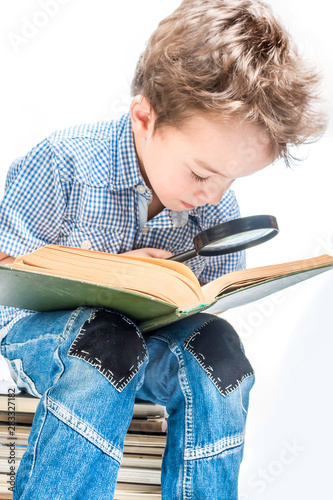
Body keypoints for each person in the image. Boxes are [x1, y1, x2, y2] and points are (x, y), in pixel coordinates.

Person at [0, 0, 326, 498]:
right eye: (200, 173)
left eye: (230, 179)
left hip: (148, 348)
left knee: (221, 358)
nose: (214, 195)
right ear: (144, 118)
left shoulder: (216, 209)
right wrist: (106, 276)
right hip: (45, 342)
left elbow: (206, 308)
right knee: (104, 344)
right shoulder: (64, 163)